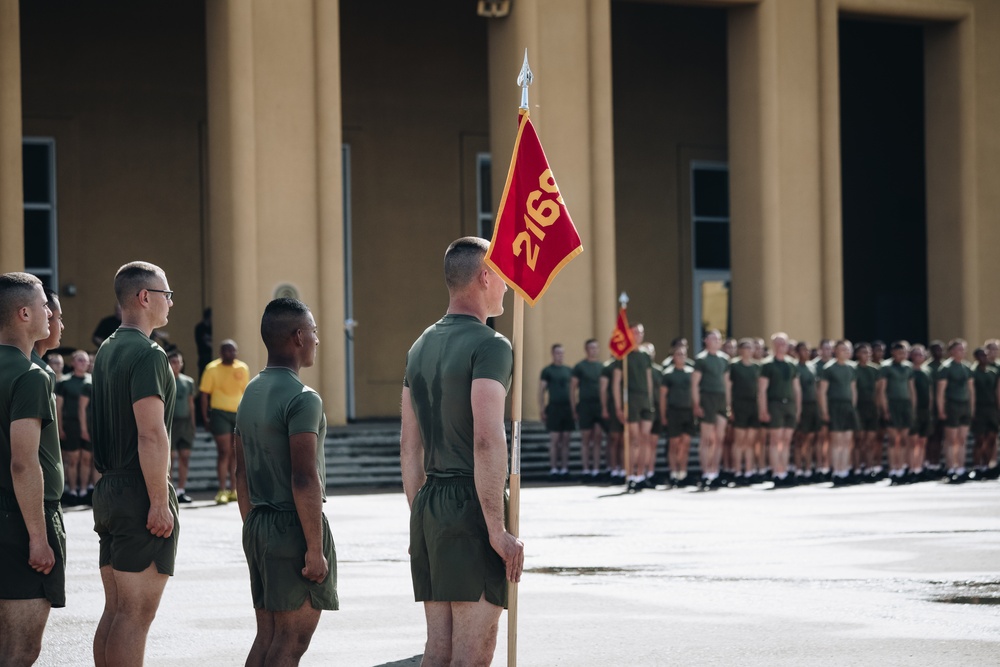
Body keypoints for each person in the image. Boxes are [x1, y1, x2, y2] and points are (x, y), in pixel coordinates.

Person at [400, 237, 524, 666]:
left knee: (439, 649)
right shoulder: (491, 344)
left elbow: (409, 446)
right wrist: (495, 527)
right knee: (474, 654)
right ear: (484, 276)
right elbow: (488, 438)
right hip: (472, 502)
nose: (507, 286)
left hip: (431, 501)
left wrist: (423, 511)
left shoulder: (419, 345)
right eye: (503, 276)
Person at [234, 298, 337, 666]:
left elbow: (240, 473)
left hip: (261, 524)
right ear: (297, 336)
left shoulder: (250, 392)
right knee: (292, 641)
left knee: (268, 637)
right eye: (313, 331)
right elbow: (304, 477)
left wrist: (253, 530)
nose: (316, 340)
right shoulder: (303, 397)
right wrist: (314, 547)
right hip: (294, 527)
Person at [91, 261, 178, 666]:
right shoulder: (147, 353)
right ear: (145, 297)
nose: (170, 304)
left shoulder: (106, 348)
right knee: (136, 615)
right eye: (167, 295)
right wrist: (159, 501)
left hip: (109, 486)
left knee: (115, 611)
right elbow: (151, 433)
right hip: (139, 489)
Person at [0, 272, 65, 666]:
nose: (49, 312)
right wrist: (38, 538)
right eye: (44, 305)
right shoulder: (31, 375)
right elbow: (24, 463)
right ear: (24, 313)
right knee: (21, 650)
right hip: (20, 519)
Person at [200, 339, 251, 504]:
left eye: (234, 351)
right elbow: (204, 394)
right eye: (227, 351)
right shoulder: (212, 368)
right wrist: (206, 417)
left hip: (238, 413)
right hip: (219, 413)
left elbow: (246, 393)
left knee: (236, 453)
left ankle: (233, 489)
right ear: (221, 352)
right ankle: (221, 489)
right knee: (224, 452)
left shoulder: (242, 368)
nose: (231, 354)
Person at [612, 324, 654, 492]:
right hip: (632, 400)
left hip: (645, 400)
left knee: (645, 439)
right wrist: (618, 406)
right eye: (635, 332)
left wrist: (650, 401)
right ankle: (630, 475)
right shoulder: (623, 356)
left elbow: (649, 379)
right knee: (633, 439)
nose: (638, 335)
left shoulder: (645, 355)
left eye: (641, 333)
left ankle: (640, 474)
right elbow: (616, 383)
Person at [758, 332, 801, 487]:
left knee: (787, 440)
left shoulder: (791, 364)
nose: (781, 346)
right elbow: (762, 389)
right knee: (776, 440)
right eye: (778, 343)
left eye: (784, 343)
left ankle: (784, 471)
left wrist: (798, 408)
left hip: (789, 404)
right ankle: (776, 472)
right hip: (774, 404)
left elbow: (796, 388)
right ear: (773, 345)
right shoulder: (767, 364)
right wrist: (763, 409)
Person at [692, 329, 730, 489]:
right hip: (707, 397)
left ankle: (715, 471)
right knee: (707, 438)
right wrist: (697, 404)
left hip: (720, 399)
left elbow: (727, 383)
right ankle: (706, 471)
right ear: (706, 340)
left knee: (719, 438)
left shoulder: (725, 359)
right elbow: (694, 384)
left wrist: (728, 404)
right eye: (713, 338)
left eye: (718, 338)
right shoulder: (701, 359)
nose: (716, 341)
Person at [55, 350, 93, 505]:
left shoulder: (92, 381)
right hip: (70, 425)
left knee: (86, 459)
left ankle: (83, 490)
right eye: (79, 360)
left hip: (90, 426)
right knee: (73, 459)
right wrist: (59, 427)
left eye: (85, 360)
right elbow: (58, 407)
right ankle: (72, 491)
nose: (83, 363)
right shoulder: (64, 382)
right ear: (72, 363)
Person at [818, 340, 857, 486]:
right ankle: (836, 471)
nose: (845, 352)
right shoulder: (829, 368)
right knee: (836, 441)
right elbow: (822, 392)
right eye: (842, 349)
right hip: (835, 406)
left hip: (847, 407)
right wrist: (825, 411)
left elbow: (853, 390)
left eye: (847, 350)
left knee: (847, 441)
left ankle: (844, 471)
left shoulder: (851, 368)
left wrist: (852, 407)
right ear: (835, 351)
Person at [936, 338, 974, 483]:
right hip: (952, 405)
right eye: (958, 349)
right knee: (951, 440)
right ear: (951, 351)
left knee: (962, 439)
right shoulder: (946, 367)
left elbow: (971, 390)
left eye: (963, 349)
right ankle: (951, 468)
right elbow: (941, 391)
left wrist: (972, 407)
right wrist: (941, 409)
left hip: (964, 405)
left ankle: (961, 468)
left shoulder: (966, 367)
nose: (961, 352)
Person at [877, 341, 916, 485]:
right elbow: (881, 390)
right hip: (892, 404)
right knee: (894, 440)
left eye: (904, 353)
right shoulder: (886, 367)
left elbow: (911, 389)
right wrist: (885, 409)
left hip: (905, 405)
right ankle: (893, 469)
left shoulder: (908, 367)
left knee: (905, 439)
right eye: (899, 353)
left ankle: (903, 468)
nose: (902, 355)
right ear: (893, 353)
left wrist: (913, 407)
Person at [660, 345, 696, 487]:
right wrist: (663, 415)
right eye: (678, 354)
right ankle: (673, 472)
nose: (681, 357)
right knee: (674, 444)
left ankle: (683, 472)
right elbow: (663, 396)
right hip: (674, 411)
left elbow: (694, 393)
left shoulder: (691, 372)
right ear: (673, 357)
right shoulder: (668, 374)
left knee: (685, 443)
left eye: (683, 354)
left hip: (688, 411)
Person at [571, 338, 605, 482]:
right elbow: (572, 389)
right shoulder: (580, 367)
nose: (594, 350)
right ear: (586, 349)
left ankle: (596, 470)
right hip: (585, 406)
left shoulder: (602, 367)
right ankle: (586, 470)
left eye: (596, 348)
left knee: (597, 438)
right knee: (586, 439)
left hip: (599, 406)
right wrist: (574, 409)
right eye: (591, 348)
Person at [727, 339, 761, 486]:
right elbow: (728, 387)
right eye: (745, 347)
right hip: (739, 405)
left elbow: (760, 389)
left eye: (750, 347)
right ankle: (737, 471)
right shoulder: (734, 366)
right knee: (739, 440)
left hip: (753, 405)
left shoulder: (757, 367)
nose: (748, 350)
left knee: (750, 441)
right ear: (740, 350)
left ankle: (748, 471)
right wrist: (730, 407)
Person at [539, 343, 573, 480]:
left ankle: (564, 469)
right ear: (553, 354)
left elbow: (572, 391)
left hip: (567, 409)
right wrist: (542, 408)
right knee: (555, 440)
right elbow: (541, 391)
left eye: (562, 353)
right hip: (554, 408)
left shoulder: (569, 370)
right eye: (557, 353)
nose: (560, 355)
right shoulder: (547, 370)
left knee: (565, 440)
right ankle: (553, 469)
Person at [168, 351, 196, 503]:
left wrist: (192, 424)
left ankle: (181, 490)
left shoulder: (188, 382)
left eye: (178, 362)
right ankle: (169, 489)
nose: (176, 365)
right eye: (173, 362)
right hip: (171, 422)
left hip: (185, 423)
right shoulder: (165, 379)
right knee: (170, 458)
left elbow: (191, 404)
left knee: (184, 456)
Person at [853, 343, 881, 480]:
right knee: (859, 440)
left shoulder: (875, 370)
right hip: (858, 407)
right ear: (857, 354)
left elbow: (878, 391)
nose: (867, 355)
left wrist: (879, 407)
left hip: (872, 408)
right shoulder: (853, 369)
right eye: (863, 352)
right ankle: (858, 469)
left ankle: (869, 468)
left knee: (870, 441)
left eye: (868, 352)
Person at [793, 341, 820, 483]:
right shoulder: (794, 367)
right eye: (803, 350)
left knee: (810, 439)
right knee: (799, 439)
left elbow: (816, 388)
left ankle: (808, 469)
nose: (806, 353)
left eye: (807, 350)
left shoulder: (812, 366)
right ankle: (798, 469)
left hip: (812, 405)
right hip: (800, 405)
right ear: (797, 352)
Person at [969, 347, 998, 481]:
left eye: (985, 356)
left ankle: (987, 465)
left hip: (991, 408)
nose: (984, 358)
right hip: (979, 408)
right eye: (981, 356)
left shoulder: (993, 372)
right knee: (979, 439)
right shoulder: (972, 372)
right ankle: (977, 466)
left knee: (991, 437)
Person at [908, 345, 933, 482]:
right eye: (916, 354)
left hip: (925, 410)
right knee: (913, 441)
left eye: (921, 354)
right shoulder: (909, 371)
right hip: (913, 410)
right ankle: (912, 468)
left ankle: (920, 467)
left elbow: (929, 391)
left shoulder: (927, 371)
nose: (919, 357)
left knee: (922, 441)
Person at [600, 357, 624, 481]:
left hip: (628, 406)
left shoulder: (628, 363)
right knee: (614, 438)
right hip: (613, 407)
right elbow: (603, 389)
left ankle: (624, 469)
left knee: (624, 441)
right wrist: (604, 408)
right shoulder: (609, 367)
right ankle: (613, 469)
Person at [924, 340, 946, 474]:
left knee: (940, 437)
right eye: (936, 350)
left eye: (941, 350)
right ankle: (928, 464)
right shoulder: (927, 367)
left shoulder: (945, 366)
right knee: (930, 437)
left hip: (944, 406)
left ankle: (937, 463)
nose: (939, 353)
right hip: (930, 407)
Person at [194, 307, 213, 380]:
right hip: (203, 356)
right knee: (203, 377)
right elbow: (202, 342)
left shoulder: (212, 327)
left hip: (212, 355)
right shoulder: (200, 328)